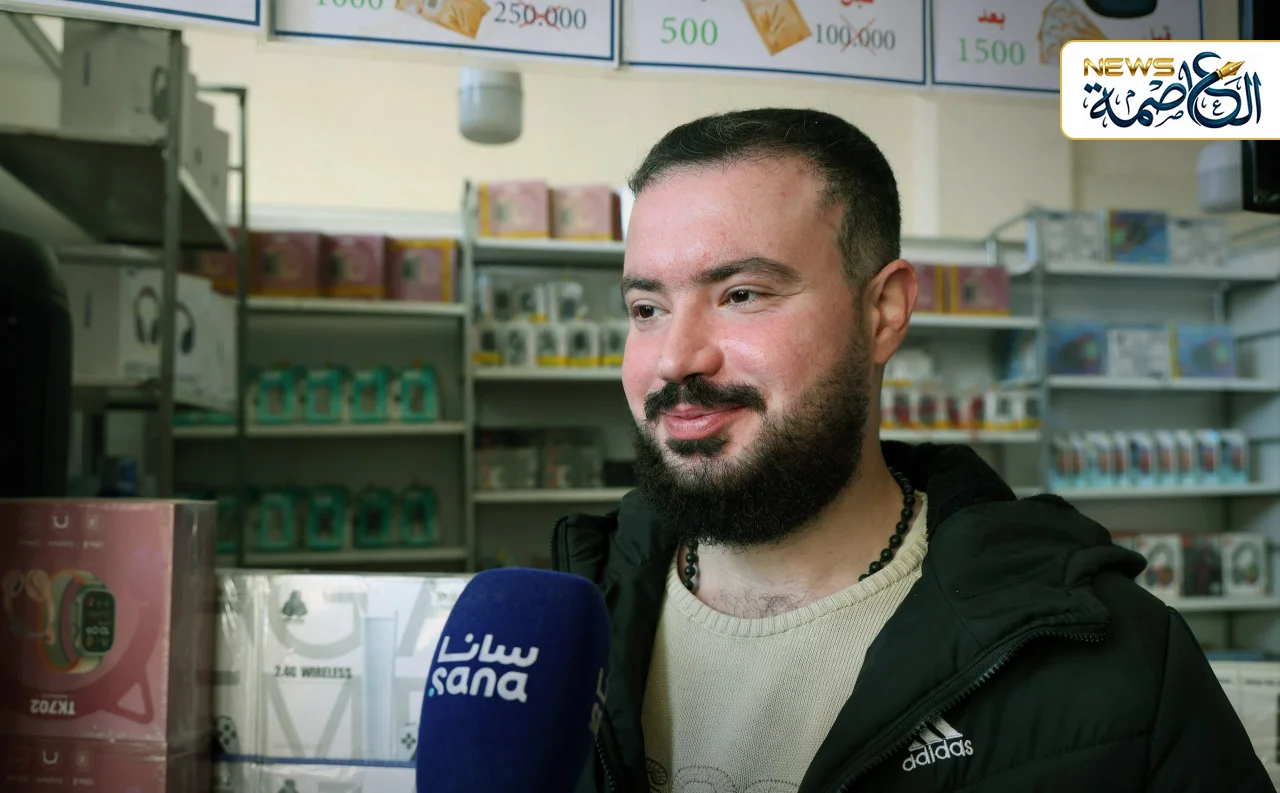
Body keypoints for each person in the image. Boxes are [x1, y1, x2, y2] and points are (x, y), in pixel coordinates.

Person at [551, 108, 1271, 793]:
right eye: (647, 309)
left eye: (741, 294)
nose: (674, 359)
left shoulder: (1116, 662)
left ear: (884, 311)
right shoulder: (552, 636)